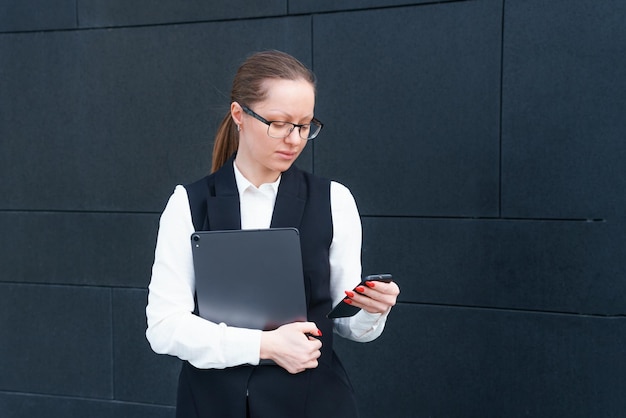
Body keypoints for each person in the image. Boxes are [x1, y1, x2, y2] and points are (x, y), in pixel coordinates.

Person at [146, 50, 400, 418]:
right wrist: (263, 345)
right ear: (239, 116)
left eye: (304, 125)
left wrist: (371, 310)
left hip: (313, 405)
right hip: (213, 405)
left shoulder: (334, 200)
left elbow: (347, 325)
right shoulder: (188, 203)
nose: (294, 139)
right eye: (279, 123)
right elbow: (164, 327)